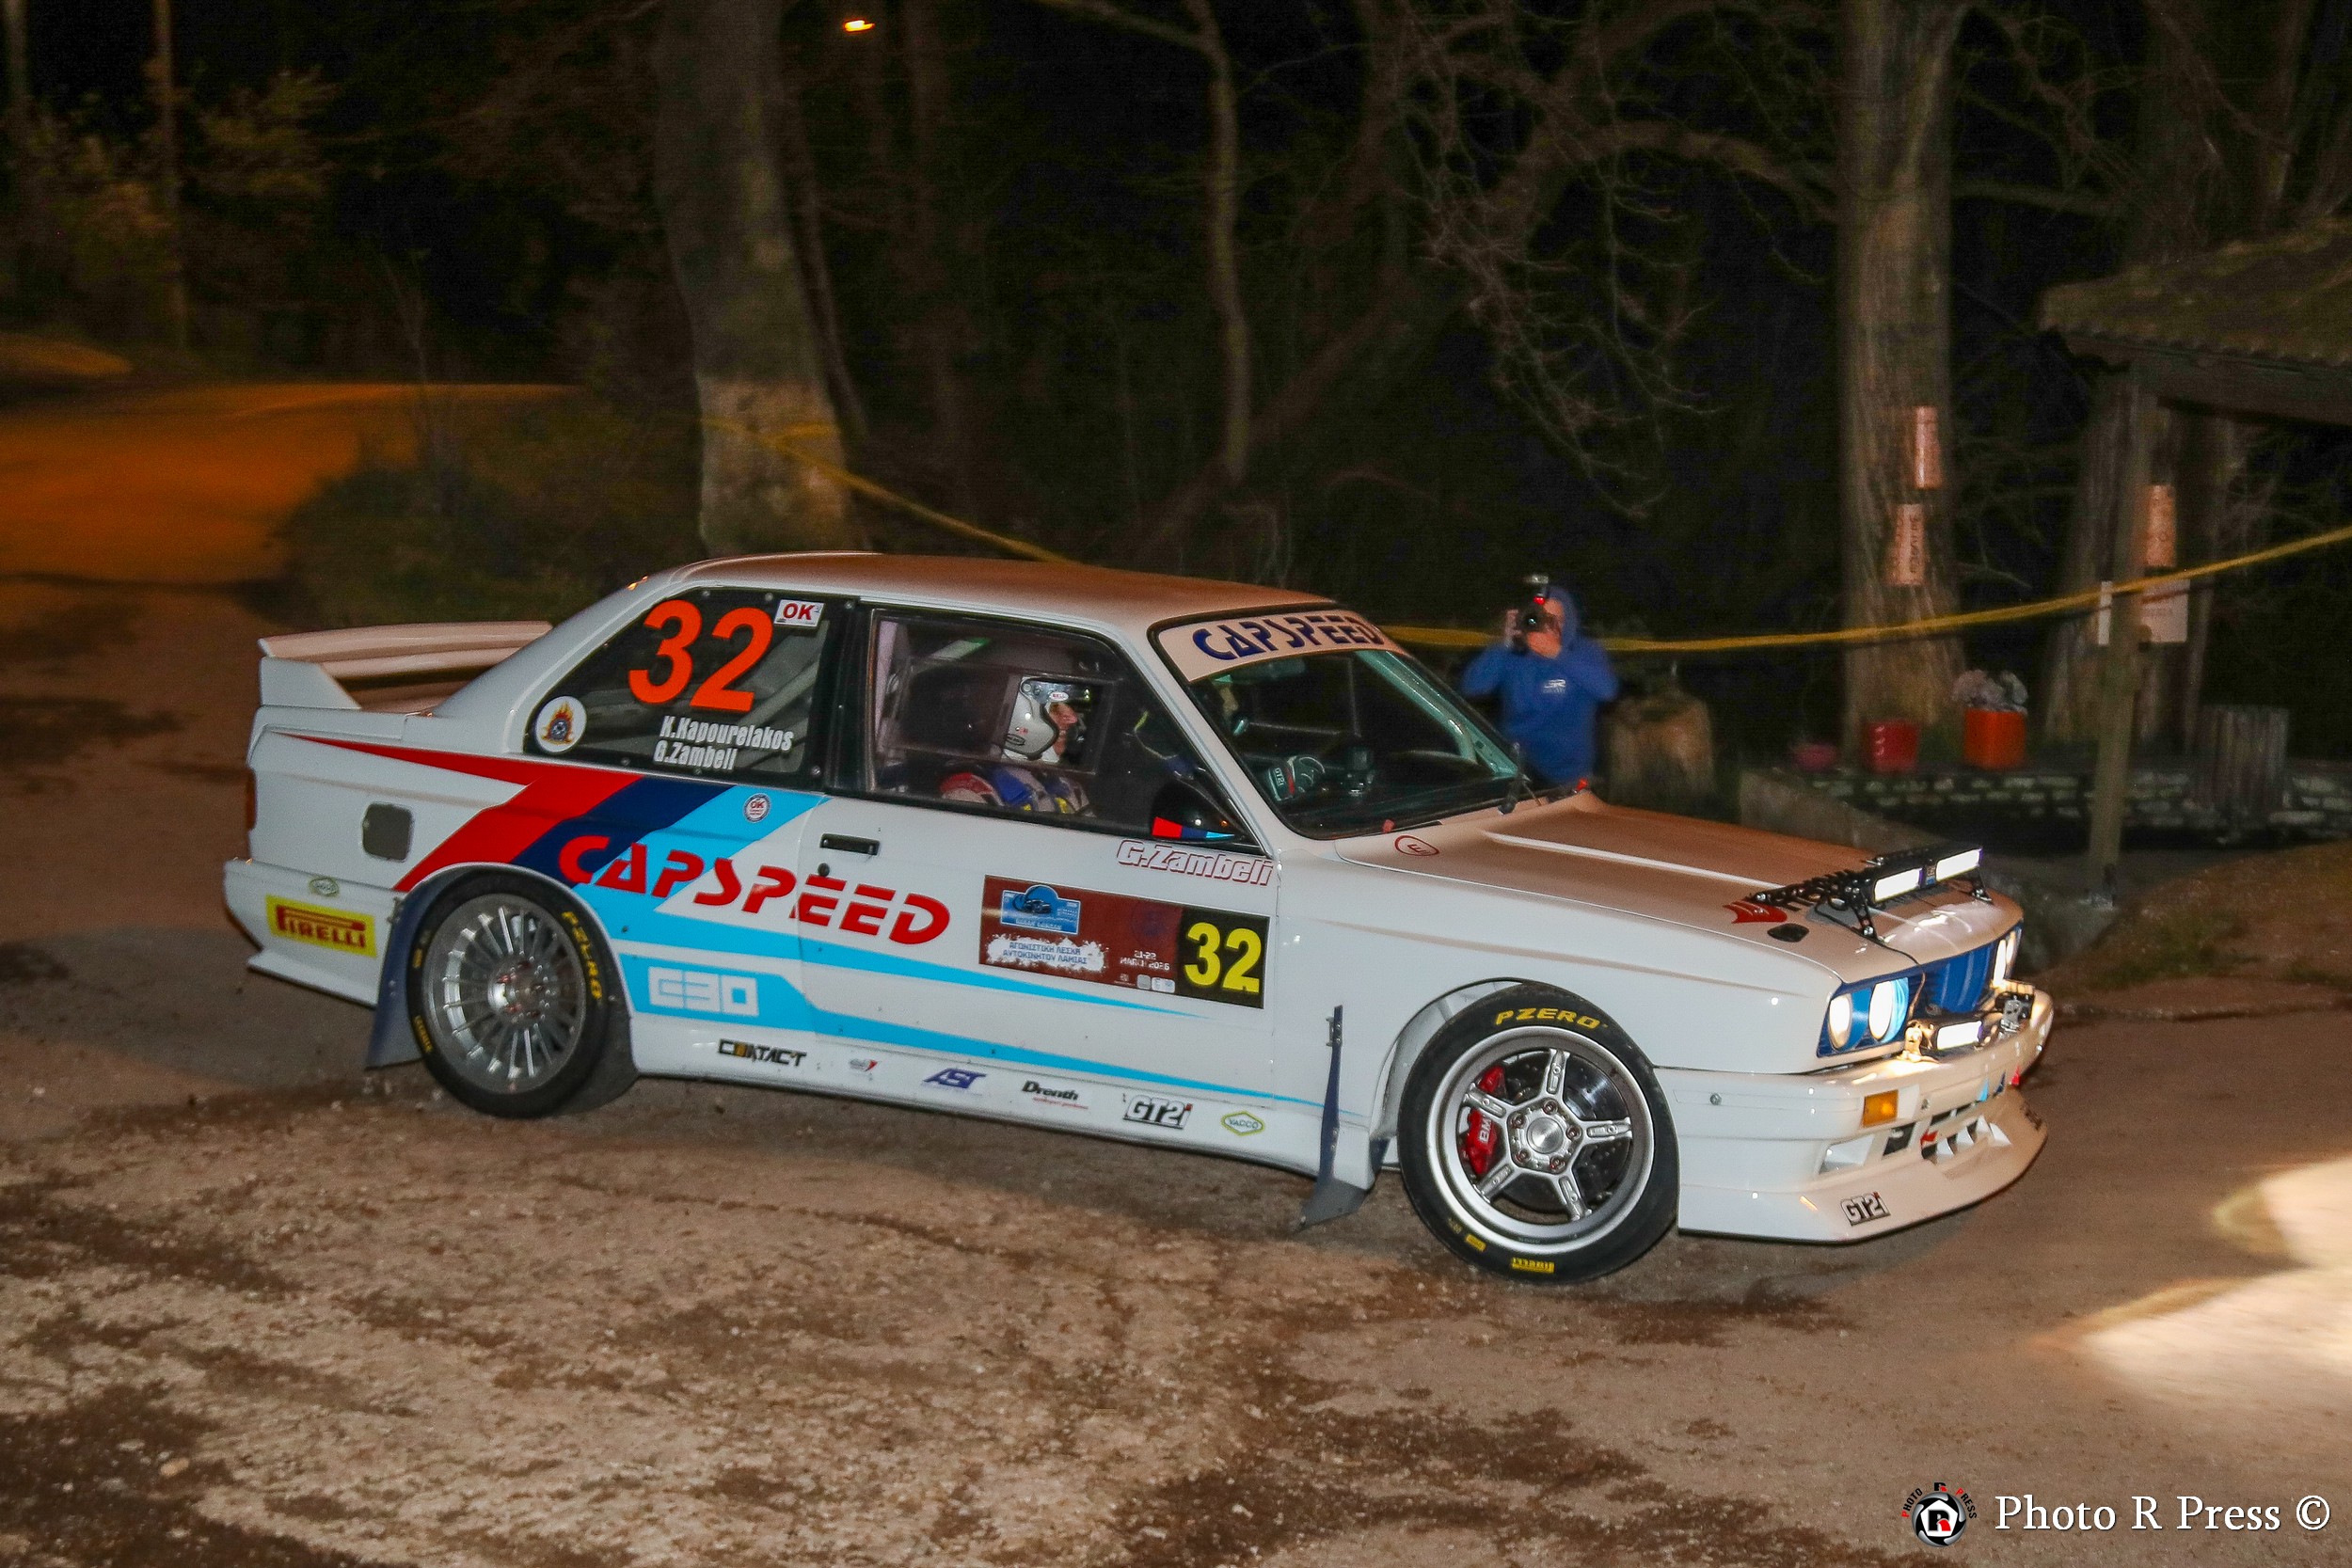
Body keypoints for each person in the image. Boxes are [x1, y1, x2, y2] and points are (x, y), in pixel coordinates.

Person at [1459, 582, 1618, 787]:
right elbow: (1472, 687)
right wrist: (1504, 643)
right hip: (1518, 772)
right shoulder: (1514, 654)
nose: (1549, 626)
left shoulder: (1584, 651)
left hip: (1571, 775)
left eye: (1557, 619)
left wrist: (1557, 654)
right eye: (1541, 618)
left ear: (1569, 621)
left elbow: (1607, 690)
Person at [940, 675, 1093, 815]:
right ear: (1018, 712)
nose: (1072, 718)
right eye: (1055, 707)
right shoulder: (969, 794)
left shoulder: (1069, 789)